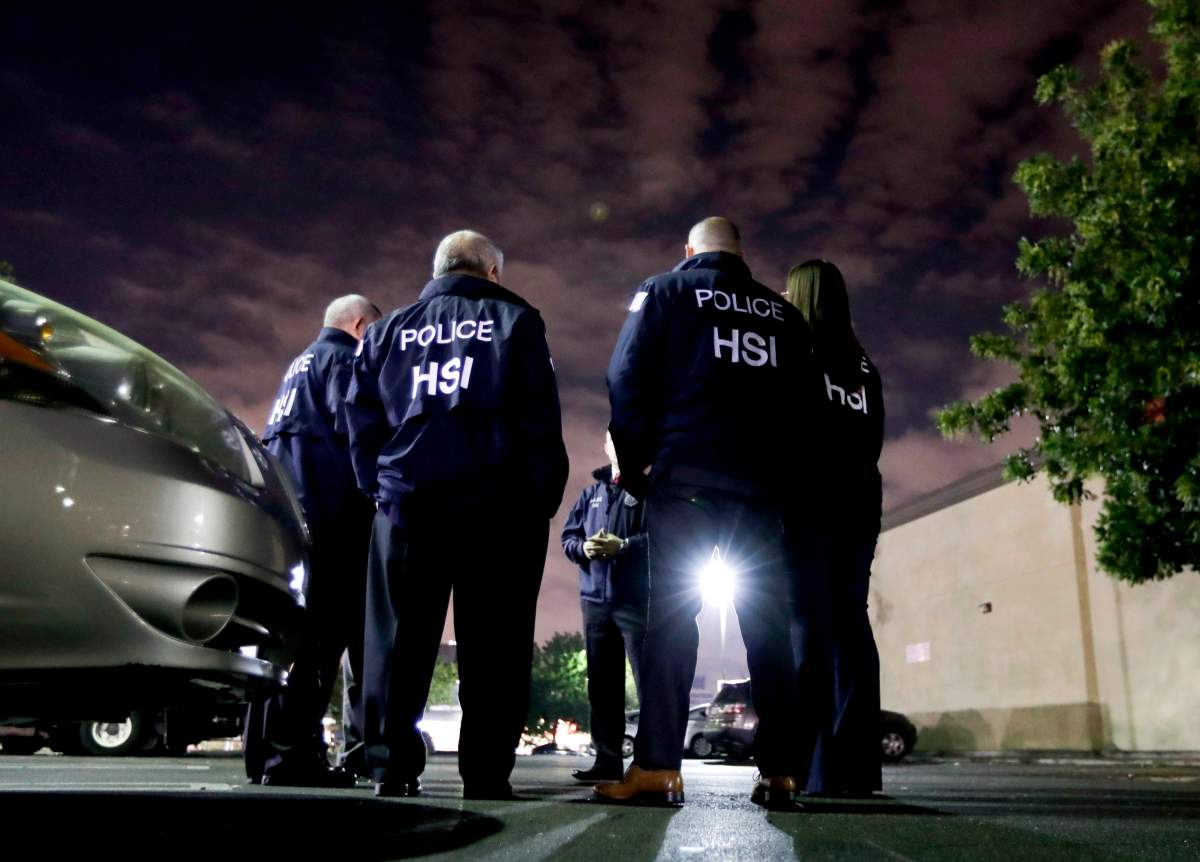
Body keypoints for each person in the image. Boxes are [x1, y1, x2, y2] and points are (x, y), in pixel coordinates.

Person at [594, 217, 812, 809]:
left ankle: (660, 768)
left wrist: (637, 466)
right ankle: (783, 771)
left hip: (685, 479)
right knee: (768, 627)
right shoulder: (783, 314)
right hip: (760, 490)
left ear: (688, 251)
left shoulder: (665, 290)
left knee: (670, 620)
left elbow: (625, 375)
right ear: (742, 254)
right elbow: (806, 406)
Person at [346, 229, 568, 800]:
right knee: (495, 641)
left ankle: (389, 767)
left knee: (397, 639)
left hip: (406, 504)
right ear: (492, 273)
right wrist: (540, 498)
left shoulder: (389, 329)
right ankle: (487, 772)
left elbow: (360, 417)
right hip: (496, 507)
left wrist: (378, 484)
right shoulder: (518, 322)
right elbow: (538, 419)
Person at [249, 294, 382, 787]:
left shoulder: (296, 367)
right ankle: (295, 757)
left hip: (290, 519)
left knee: (287, 642)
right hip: (333, 521)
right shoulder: (344, 361)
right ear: (363, 325)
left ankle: (268, 755)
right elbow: (360, 437)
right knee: (325, 645)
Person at [783, 259, 885, 796]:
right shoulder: (864, 365)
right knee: (851, 625)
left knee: (807, 625)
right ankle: (856, 768)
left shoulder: (796, 351)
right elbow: (873, 444)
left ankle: (809, 767)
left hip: (808, 503)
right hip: (860, 505)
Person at [560, 431, 648, 783]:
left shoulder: (647, 491)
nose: (617, 445)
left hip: (636, 602)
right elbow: (568, 537)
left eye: (623, 439)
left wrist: (622, 545)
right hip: (595, 602)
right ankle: (607, 760)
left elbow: (661, 539)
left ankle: (648, 759)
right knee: (601, 684)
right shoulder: (591, 493)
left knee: (647, 683)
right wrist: (584, 549)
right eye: (612, 439)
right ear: (606, 445)